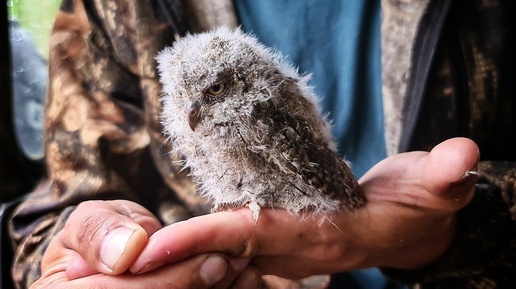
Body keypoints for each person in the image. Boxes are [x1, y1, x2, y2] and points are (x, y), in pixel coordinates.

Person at [5, 0, 515, 288]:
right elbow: (55, 215)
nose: (194, 114)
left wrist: (461, 231)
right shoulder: (113, 10)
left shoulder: (260, 109)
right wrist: (86, 259)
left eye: (214, 94)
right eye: (184, 100)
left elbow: (313, 164)